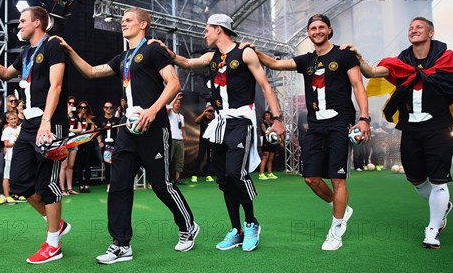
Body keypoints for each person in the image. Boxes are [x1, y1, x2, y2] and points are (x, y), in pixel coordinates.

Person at [52, 7, 198, 264]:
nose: (123, 23)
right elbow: (91, 72)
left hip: (154, 128)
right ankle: (121, 244)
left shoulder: (153, 49)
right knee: (118, 184)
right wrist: (69, 51)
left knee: (161, 185)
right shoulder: (123, 58)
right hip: (128, 130)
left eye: (129, 20)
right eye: (122, 21)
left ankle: (188, 225)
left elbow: (174, 83)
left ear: (144, 24)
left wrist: (153, 110)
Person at [154, 13, 285, 252]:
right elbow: (186, 63)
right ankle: (236, 230)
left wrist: (277, 119)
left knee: (236, 173)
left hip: (241, 121)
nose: (204, 34)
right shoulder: (210, 57)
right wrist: (167, 52)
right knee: (223, 178)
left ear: (218, 29)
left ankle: (251, 223)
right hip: (220, 123)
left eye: (207, 29)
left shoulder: (245, 53)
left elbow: (265, 86)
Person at [346, 16, 453, 249]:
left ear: (430, 32)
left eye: (419, 27)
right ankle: (442, 206)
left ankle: (433, 229)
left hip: (438, 129)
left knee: (438, 180)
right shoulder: (401, 62)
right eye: (411, 28)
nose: (413, 30)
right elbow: (372, 72)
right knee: (415, 178)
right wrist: (359, 58)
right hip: (411, 130)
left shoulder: (446, 59)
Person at [247, 14, 370, 251]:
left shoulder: (344, 55)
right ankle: (340, 206)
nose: (317, 31)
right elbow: (274, 64)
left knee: (337, 178)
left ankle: (335, 231)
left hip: (340, 124)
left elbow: (358, 86)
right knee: (311, 178)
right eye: (312, 28)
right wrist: (255, 50)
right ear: (309, 33)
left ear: (329, 30)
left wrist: (364, 118)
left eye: (321, 27)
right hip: (315, 127)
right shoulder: (306, 60)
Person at [0, 5, 70, 264]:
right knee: (20, 184)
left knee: (47, 183)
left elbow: (56, 86)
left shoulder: (52, 46)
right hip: (29, 126)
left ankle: (53, 244)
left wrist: (47, 121)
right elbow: (4, 74)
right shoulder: (25, 53)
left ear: (38, 23)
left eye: (23, 21)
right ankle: (55, 222)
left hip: (50, 123)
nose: (19, 25)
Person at [60, 96, 83, 195]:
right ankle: (62, 189)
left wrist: (71, 130)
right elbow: (62, 127)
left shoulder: (76, 115)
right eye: (69, 103)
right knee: (63, 165)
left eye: (73, 103)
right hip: (65, 140)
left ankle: (69, 188)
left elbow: (79, 129)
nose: (71, 105)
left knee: (71, 165)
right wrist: (67, 114)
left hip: (73, 140)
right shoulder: (62, 114)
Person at [97, 101, 120, 191]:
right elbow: (98, 132)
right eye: (107, 107)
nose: (108, 109)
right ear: (104, 109)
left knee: (116, 164)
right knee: (107, 165)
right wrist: (99, 141)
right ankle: (109, 184)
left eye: (110, 107)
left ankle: (116, 183)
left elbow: (118, 132)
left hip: (114, 145)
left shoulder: (116, 120)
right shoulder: (100, 120)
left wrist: (118, 143)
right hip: (105, 145)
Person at [190, 104, 215, 183]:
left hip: (211, 142)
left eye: (211, 111)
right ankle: (194, 175)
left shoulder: (215, 119)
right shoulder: (203, 118)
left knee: (210, 159)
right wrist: (204, 113)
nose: (210, 113)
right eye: (208, 110)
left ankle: (209, 175)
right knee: (200, 157)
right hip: (203, 142)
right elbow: (196, 121)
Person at [1, 112, 21, 204]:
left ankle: (17, 193)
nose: (14, 120)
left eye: (15, 118)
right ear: (8, 120)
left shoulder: (20, 129)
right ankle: (7, 196)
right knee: (7, 176)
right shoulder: (7, 130)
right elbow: (6, 144)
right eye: (11, 119)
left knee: (18, 175)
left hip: (18, 156)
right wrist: (15, 143)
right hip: (9, 156)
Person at [167, 93, 187, 185]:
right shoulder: (170, 113)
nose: (177, 104)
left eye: (179, 103)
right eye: (176, 102)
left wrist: (184, 135)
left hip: (180, 140)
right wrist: (175, 98)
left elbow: (183, 128)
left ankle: (177, 179)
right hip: (171, 139)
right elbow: (168, 108)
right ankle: (167, 179)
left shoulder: (181, 116)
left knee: (180, 160)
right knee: (168, 159)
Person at [258, 111, 279, 180]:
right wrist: (271, 132)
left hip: (272, 142)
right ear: (264, 116)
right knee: (265, 158)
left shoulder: (272, 123)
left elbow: (276, 131)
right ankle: (261, 174)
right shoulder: (263, 124)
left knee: (271, 158)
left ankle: (269, 173)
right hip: (265, 142)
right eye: (266, 115)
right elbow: (266, 132)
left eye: (269, 115)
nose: (268, 116)